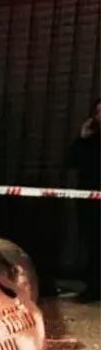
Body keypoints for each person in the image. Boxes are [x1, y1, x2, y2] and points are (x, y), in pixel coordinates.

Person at [69, 97, 101, 302]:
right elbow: (72, 161)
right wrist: (82, 138)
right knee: (93, 244)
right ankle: (94, 288)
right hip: (90, 202)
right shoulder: (89, 140)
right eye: (98, 112)